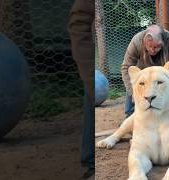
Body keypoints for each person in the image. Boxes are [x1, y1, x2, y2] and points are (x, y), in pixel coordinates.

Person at [121, 24, 169, 118]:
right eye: (149, 46)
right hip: (142, 67)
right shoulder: (136, 42)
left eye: (156, 47)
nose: (152, 50)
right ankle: (129, 114)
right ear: (144, 42)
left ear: (163, 42)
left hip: (160, 68)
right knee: (136, 84)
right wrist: (132, 91)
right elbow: (125, 67)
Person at [68, 0, 94, 178]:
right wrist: (88, 71)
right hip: (92, 64)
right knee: (92, 95)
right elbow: (79, 23)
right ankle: (92, 165)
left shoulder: (166, 42)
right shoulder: (137, 44)